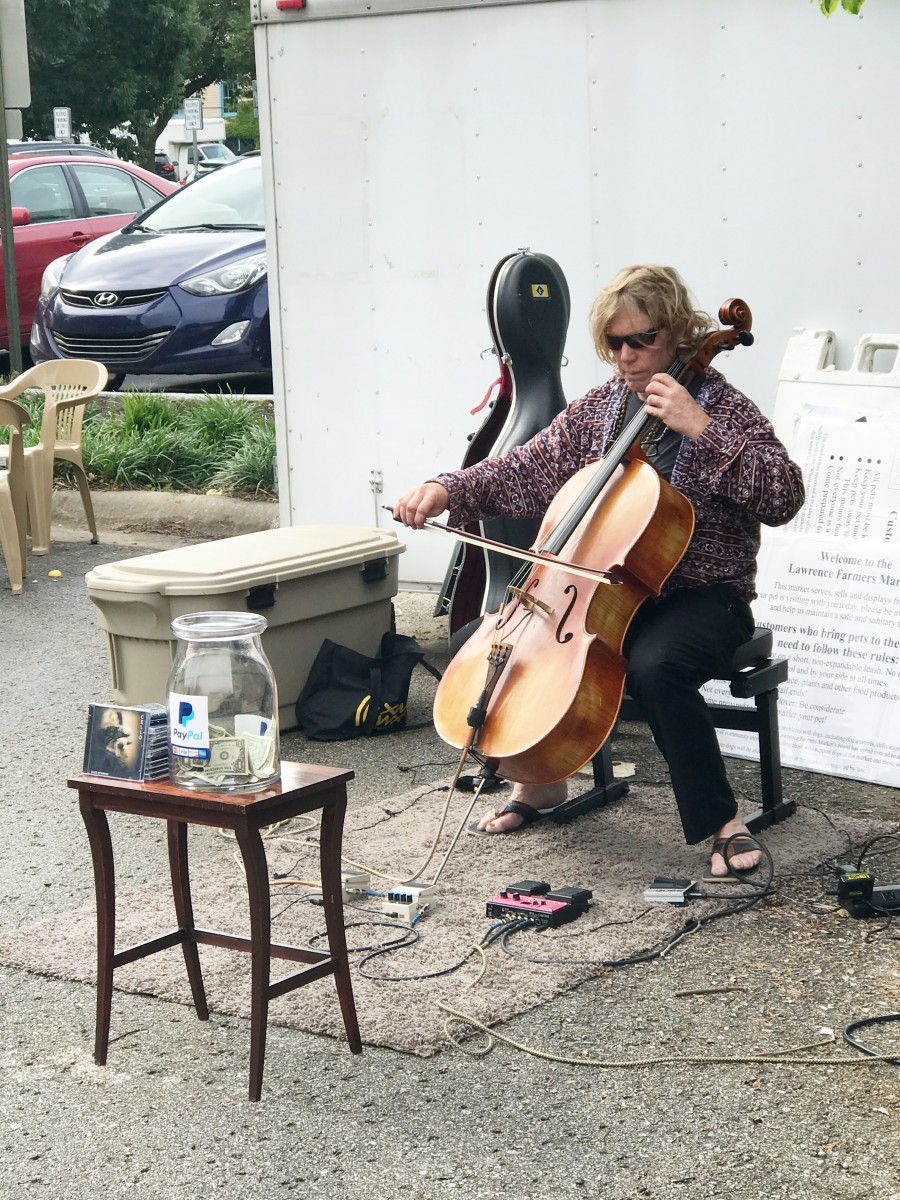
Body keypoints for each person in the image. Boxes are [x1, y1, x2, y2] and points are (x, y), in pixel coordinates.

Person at [393, 264, 805, 878]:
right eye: (613, 343)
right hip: (604, 592)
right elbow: (522, 472)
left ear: (678, 335)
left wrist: (702, 428)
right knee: (486, 648)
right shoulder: (601, 412)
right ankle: (541, 780)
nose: (626, 356)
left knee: (658, 669)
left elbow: (784, 496)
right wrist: (445, 487)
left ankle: (723, 823)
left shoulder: (723, 408)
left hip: (701, 598)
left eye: (640, 340)